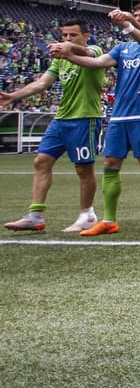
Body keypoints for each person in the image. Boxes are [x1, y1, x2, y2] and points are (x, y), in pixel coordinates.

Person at [53, 5, 140, 235]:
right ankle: (109, 220)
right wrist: (69, 55)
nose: (137, 18)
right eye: (135, 15)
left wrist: (128, 22)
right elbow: (98, 63)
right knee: (109, 165)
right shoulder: (123, 48)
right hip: (119, 115)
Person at [2, 17, 104, 232]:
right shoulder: (59, 60)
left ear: (85, 36)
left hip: (85, 117)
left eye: (72, 35)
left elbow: (89, 54)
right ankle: (35, 215)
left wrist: (69, 49)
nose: (66, 39)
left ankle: (87, 214)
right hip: (61, 119)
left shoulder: (95, 50)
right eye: (64, 35)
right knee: (41, 161)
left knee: (83, 168)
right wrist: (13, 96)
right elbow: (42, 83)